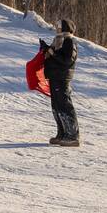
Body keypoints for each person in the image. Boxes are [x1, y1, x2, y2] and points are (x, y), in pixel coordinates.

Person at [40, 19, 80, 147]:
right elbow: (55, 57)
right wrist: (46, 50)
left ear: (66, 28)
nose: (57, 29)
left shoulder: (69, 41)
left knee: (64, 105)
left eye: (59, 27)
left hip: (62, 78)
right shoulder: (58, 41)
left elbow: (67, 60)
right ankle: (62, 133)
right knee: (56, 106)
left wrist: (52, 53)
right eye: (56, 27)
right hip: (54, 76)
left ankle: (72, 135)